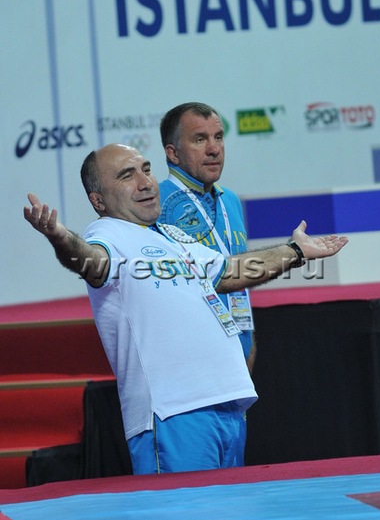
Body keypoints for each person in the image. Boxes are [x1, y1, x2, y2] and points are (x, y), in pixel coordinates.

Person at [23, 144, 348, 475]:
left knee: (230, 510)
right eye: (126, 176)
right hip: (174, 414)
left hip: (227, 407)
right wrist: (60, 237)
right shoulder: (107, 234)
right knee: (185, 511)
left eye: (146, 169)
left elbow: (231, 271)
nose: (146, 182)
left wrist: (295, 251)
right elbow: (91, 261)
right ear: (99, 201)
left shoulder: (172, 235)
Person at [159, 102, 257, 373]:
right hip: (190, 365)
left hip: (238, 360)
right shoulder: (154, 204)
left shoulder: (230, 200)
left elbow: (240, 284)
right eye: (199, 139)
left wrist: (248, 347)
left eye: (219, 137)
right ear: (173, 153)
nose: (214, 149)